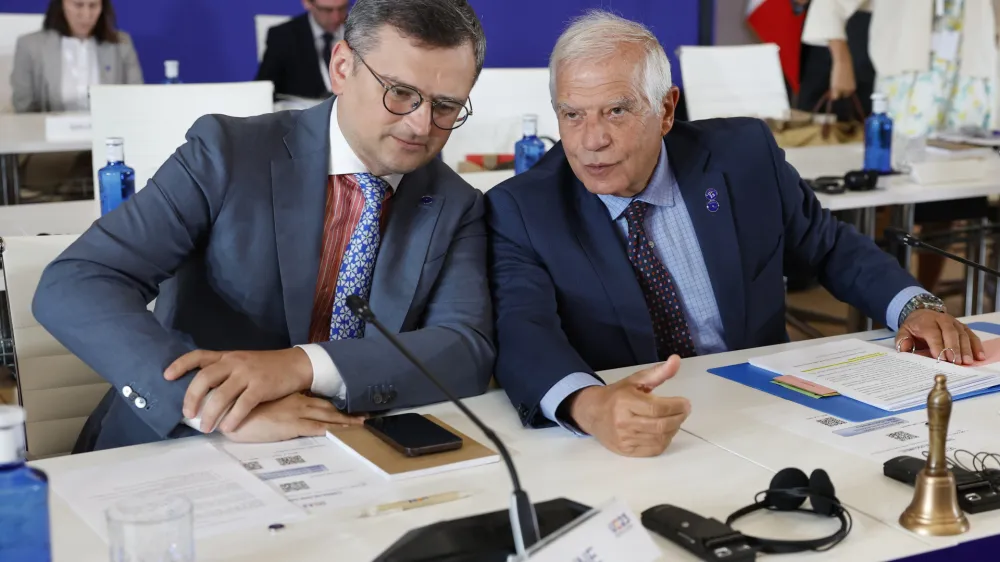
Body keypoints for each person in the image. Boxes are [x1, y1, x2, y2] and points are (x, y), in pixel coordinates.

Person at [487, 11, 984, 458]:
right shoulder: (523, 208)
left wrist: (915, 306)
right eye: (572, 114)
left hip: (769, 407)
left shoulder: (742, 155)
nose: (591, 140)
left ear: (665, 110)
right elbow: (521, 331)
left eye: (616, 111)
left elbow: (829, 246)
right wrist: (589, 406)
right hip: (634, 432)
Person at [33, 0, 492, 452]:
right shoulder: (228, 153)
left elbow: (464, 349)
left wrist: (302, 366)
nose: (420, 124)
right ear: (342, 67)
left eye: (446, 106)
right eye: (400, 93)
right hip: (184, 443)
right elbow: (76, 281)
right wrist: (214, 406)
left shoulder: (456, 202)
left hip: (347, 450)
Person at [804, 0, 1000, 292]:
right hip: (909, 85)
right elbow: (829, 4)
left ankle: (926, 296)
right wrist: (841, 61)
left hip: (970, 82)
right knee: (893, 191)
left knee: (952, 196)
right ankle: (885, 293)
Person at [11, 0, 143, 113]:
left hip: (107, 135)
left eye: (93, 6)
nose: (86, 15)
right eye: (78, 5)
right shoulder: (30, 46)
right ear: (62, 4)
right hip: (49, 138)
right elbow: (24, 108)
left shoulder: (121, 44)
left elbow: (137, 99)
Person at [256, 0, 351, 100]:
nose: (336, 17)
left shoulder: (362, 33)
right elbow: (263, 90)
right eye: (326, 10)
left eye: (342, 8)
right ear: (307, 3)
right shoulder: (283, 36)